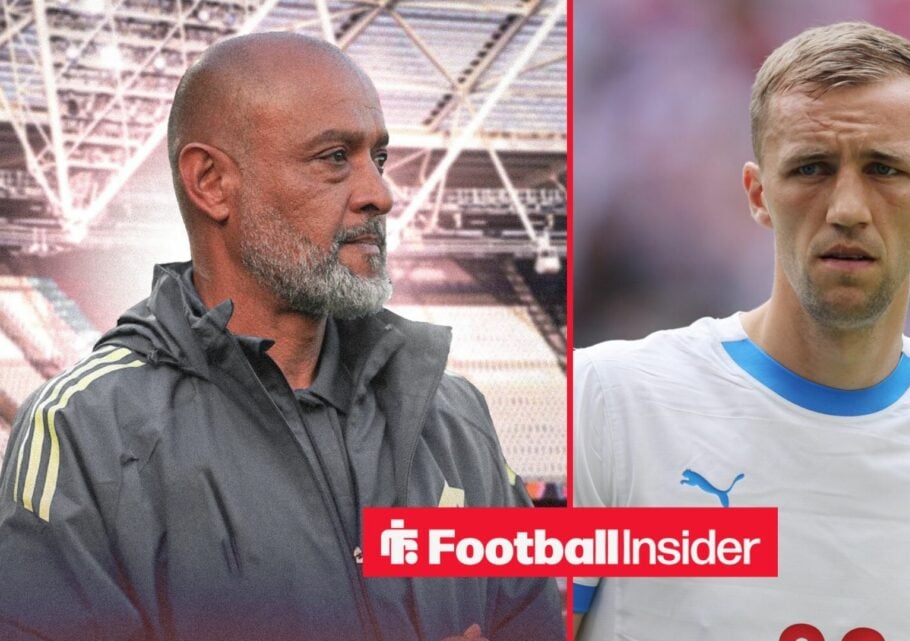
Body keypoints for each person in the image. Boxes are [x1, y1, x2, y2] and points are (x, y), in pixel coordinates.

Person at [0, 32, 562, 641]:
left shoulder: (454, 416)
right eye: (333, 158)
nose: (380, 194)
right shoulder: (88, 430)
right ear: (211, 182)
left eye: (378, 157)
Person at [573, 22, 910, 641]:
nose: (847, 208)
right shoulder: (603, 405)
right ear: (759, 193)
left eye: (885, 169)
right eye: (812, 168)